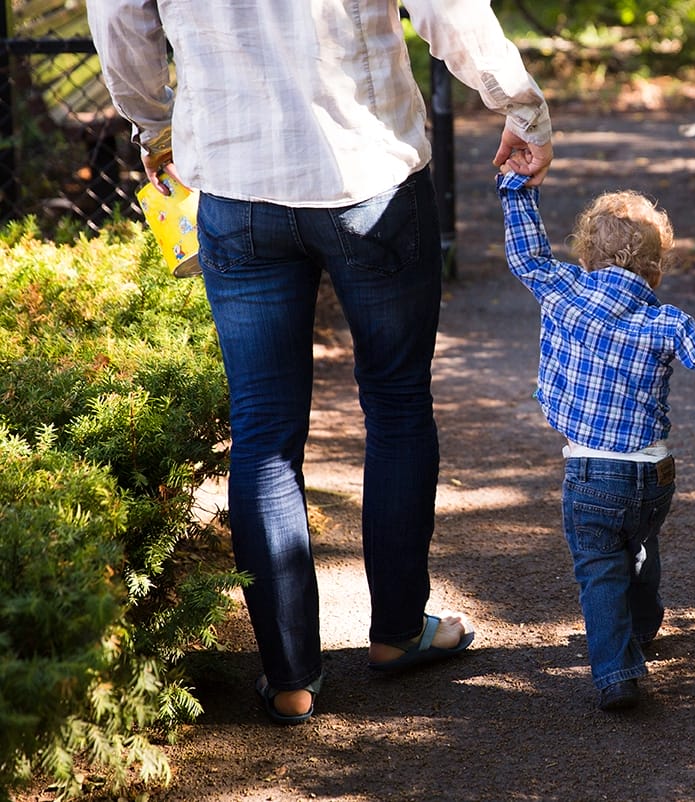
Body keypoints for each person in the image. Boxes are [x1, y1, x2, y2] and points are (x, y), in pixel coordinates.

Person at [87, 0, 554, 725]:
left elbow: (119, 17)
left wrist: (152, 121)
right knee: (397, 406)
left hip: (237, 187)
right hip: (371, 177)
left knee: (263, 433)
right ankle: (398, 632)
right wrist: (518, 101)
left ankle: (290, 675)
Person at [496, 164, 695, 711]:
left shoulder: (562, 289)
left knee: (600, 567)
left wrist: (518, 187)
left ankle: (618, 673)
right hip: (653, 475)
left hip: (591, 473)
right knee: (640, 543)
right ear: (656, 272)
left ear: (585, 257)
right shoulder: (666, 321)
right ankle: (643, 625)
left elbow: (525, 253)